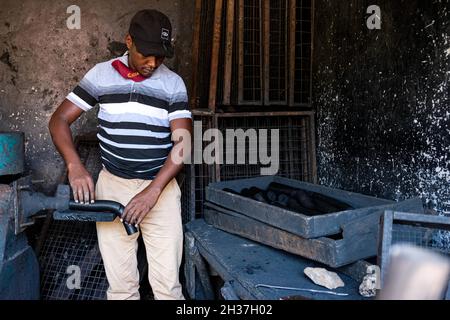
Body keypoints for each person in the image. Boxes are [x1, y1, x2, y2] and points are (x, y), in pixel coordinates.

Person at [48, 9, 192, 300]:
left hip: (160, 190)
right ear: (129, 41)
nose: (153, 63)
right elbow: (59, 120)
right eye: (146, 54)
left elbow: (184, 144)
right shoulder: (101, 75)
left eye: (161, 57)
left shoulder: (172, 84)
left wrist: (152, 192)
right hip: (113, 186)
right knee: (122, 287)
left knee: (168, 287)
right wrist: (74, 165)